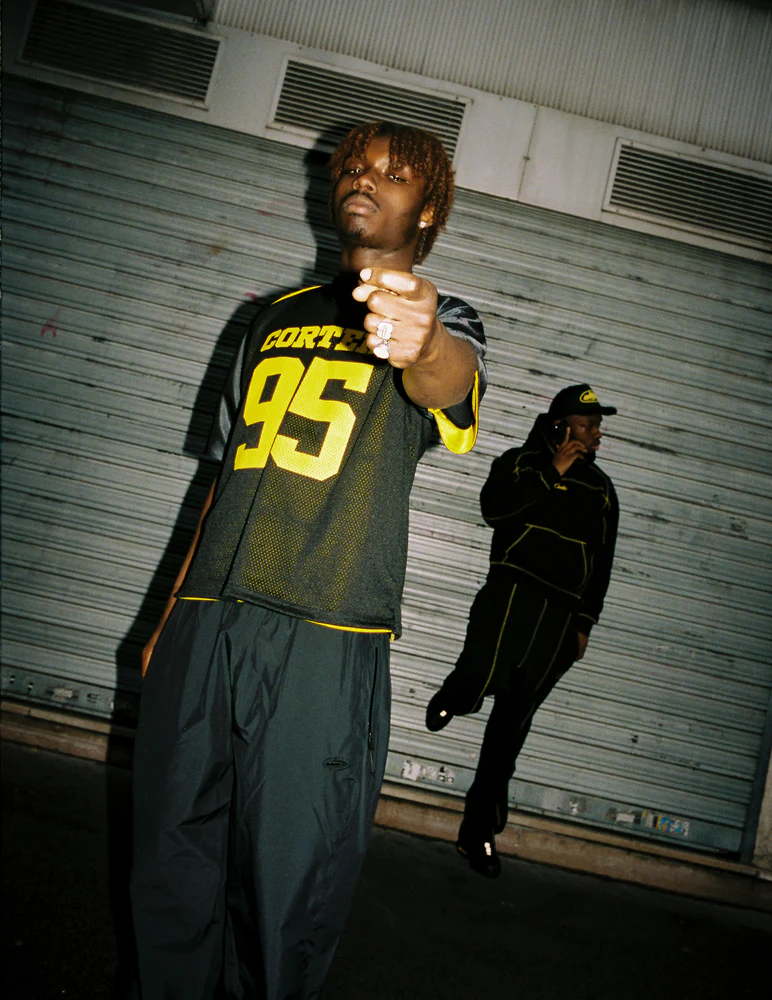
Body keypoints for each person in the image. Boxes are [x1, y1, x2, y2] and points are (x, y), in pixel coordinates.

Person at [129, 121, 487, 999]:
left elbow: (448, 380)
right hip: (208, 618)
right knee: (171, 859)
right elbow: (221, 480)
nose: (364, 178)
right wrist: (169, 618)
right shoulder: (272, 317)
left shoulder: (443, 316)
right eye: (353, 167)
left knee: (289, 888)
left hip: (327, 631)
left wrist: (423, 339)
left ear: (428, 210)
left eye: (394, 174)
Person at [425, 384, 619, 878]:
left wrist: (584, 624)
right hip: (510, 593)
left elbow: (602, 562)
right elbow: (495, 510)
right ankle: (458, 694)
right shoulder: (519, 464)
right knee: (480, 669)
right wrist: (552, 473)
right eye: (586, 424)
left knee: (510, 730)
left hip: (560, 616)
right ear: (559, 426)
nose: (596, 434)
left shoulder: (602, 489)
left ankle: (477, 834)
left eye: (597, 425)